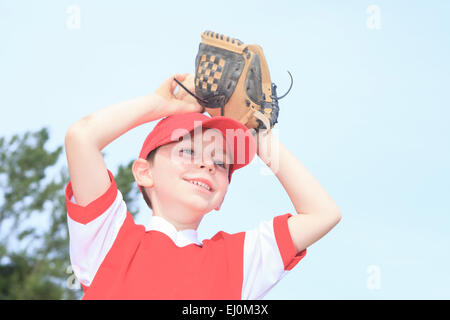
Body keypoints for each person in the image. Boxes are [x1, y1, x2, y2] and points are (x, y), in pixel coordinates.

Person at [64, 74, 342, 299]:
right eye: (187, 152)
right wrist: (160, 105)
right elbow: (82, 137)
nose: (208, 165)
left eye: (221, 163)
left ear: (222, 196)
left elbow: (322, 214)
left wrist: (258, 134)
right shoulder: (111, 240)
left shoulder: (235, 262)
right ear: (144, 172)